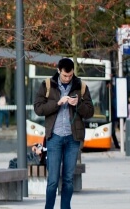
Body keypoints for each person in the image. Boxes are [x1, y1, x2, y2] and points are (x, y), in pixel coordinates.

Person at [33, 58, 94, 209]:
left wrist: (78, 104)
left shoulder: (81, 86)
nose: (68, 78)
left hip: (73, 139)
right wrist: (58, 103)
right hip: (54, 138)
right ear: (59, 71)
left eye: (70, 75)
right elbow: (38, 109)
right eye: (65, 76)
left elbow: (90, 112)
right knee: (53, 179)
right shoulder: (47, 85)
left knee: (68, 179)